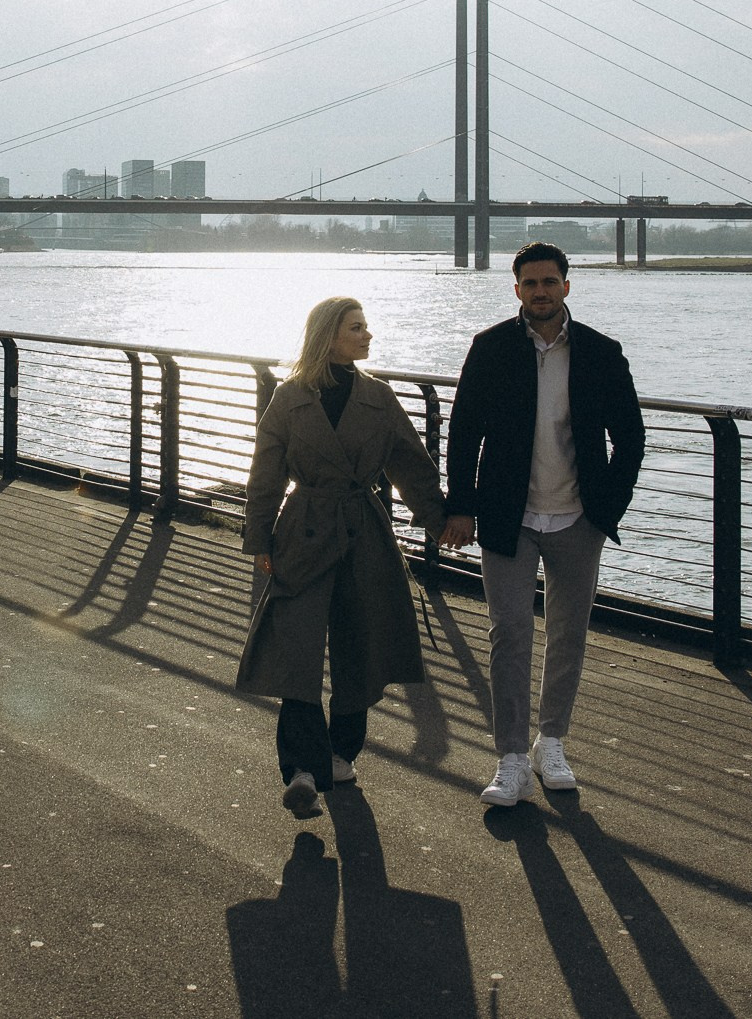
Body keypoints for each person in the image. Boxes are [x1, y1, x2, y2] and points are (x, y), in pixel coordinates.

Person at [437, 241, 645, 807]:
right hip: (511, 515)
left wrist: (609, 509)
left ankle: (551, 741)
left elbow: (631, 438)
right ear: (517, 291)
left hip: (579, 518)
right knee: (509, 633)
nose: (540, 293)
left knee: (567, 635)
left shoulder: (602, 353)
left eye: (549, 282)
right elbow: (463, 433)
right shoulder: (491, 349)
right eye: (529, 284)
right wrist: (460, 506)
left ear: (566, 287)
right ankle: (510, 758)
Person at [238, 296, 449, 817]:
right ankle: (302, 770)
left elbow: (411, 464)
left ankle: (338, 752)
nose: (368, 335)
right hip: (304, 531)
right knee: (297, 650)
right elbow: (264, 474)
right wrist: (260, 540)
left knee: (362, 645)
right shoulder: (290, 398)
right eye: (357, 328)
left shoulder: (377, 397)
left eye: (366, 327)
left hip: (364, 533)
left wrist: (441, 520)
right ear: (330, 335)